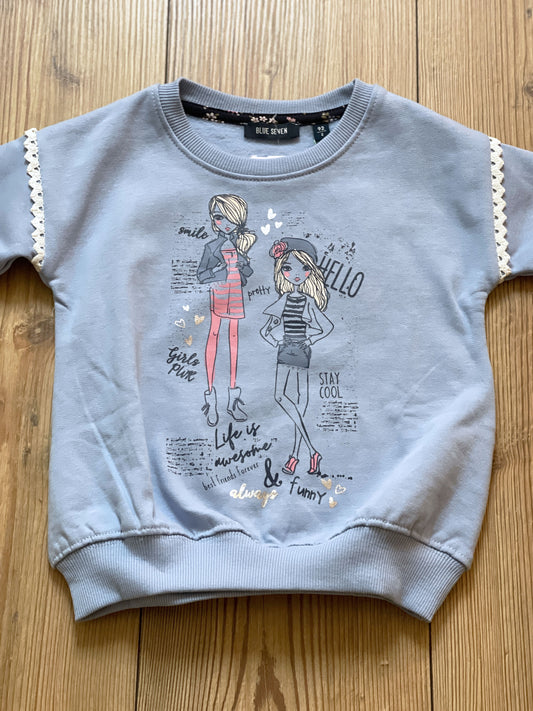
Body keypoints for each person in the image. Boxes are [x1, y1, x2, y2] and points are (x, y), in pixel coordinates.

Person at [260, 238, 334, 476]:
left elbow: (327, 327)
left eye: (304, 268)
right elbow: (265, 330)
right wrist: (275, 342)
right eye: (288, 268)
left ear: (310, 271)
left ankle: (295, 458)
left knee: (299, 406)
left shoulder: (309, 301)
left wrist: (310, 340)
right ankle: (311, 452)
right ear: (282, 271)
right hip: (285, 349)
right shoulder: (283, 299)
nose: (296, 274)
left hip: (301, 350)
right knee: (281, 397)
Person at [197, 194, 257, 426]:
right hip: (219, 292)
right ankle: (210, 396)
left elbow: (248, 273)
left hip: (236, 292)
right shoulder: (211, 247)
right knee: (214, 335)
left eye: (230, 218)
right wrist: (218, 270)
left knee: (234, 339)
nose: (224, 223)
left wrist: (242, 264)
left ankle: (233, 398)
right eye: (219, 217)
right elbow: (201, 275)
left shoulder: (240, 246)